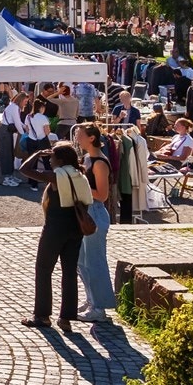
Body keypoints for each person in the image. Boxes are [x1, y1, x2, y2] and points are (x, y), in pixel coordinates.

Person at [20, 142, 89, 333]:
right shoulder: (80, 174)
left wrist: (37, 153)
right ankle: (66, 317)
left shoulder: (57, 176)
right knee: (69, 272)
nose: (49, 161)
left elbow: (24, 169)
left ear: (59, 159)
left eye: (52, 157)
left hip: (55, 228)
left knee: (43, 269)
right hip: (75, 229)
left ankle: (42, 315)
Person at [72, 124, 116, 323]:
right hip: (85, 212)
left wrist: (79, 188)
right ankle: (92, 299)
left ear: (91, 138)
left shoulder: (99, 162)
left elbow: (102, 194)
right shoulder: (87, 158)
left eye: (80, 135)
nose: (77, 139)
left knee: (95, 262)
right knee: (81, 260)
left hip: (95, 213)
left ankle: (100, 307)